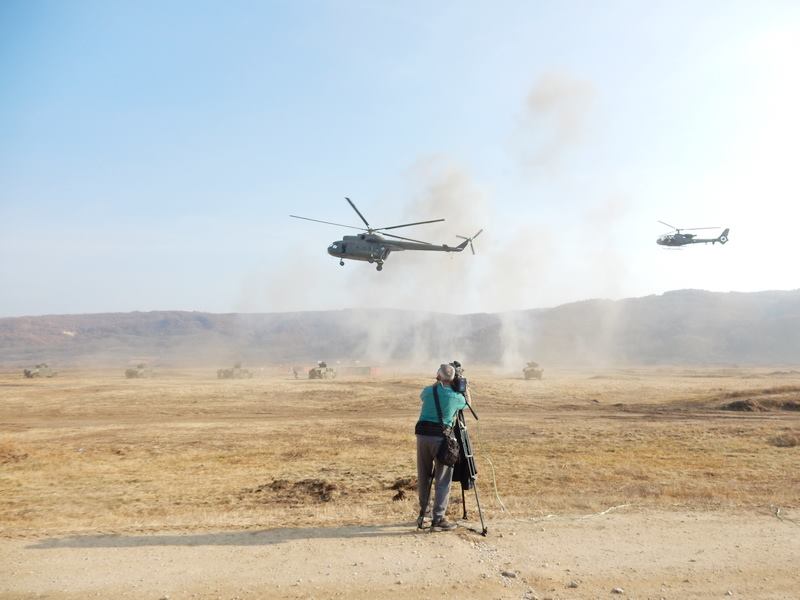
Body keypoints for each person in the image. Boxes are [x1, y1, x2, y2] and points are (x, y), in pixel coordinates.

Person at [415, 363, 467, 531]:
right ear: (453, 379)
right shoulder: (455, 397)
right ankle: (438, 518)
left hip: (423, 437)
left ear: (438, 376)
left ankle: (424, 513)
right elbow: (467, 403)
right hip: (442, 439)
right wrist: (464, 386)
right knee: (443, 479)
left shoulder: (429, 391)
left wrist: (438, 382)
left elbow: (423, 396)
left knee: (424, 476)